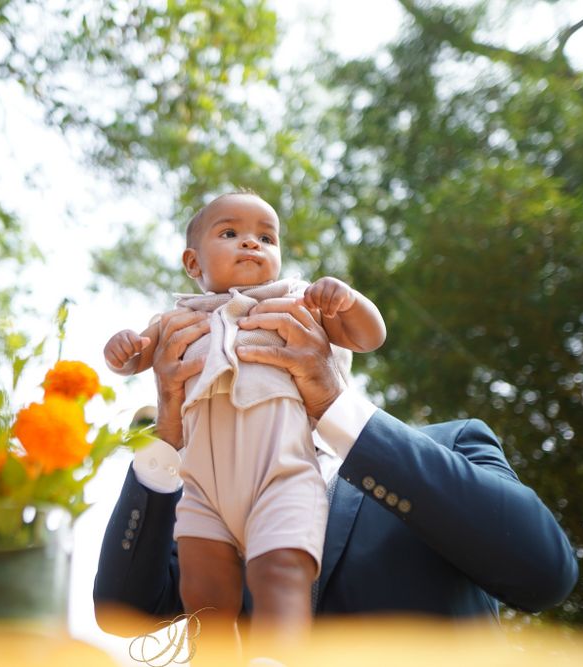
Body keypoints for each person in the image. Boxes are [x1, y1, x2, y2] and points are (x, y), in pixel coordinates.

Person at [94, 300, 579, 652]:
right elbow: (124, 610)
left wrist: (332, 407)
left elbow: (543, 572)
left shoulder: (451, 444)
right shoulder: (217, 492)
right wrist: (169, 436)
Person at [103, 192, 387, 650]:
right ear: (193, 264)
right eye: (230, 233)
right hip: (203, 485)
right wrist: (122, 349)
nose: (251, 244)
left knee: (281, 571)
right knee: (203, 589)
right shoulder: (177, 319)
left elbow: (369, 337)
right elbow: (134, 358)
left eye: (266, 237)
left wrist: (348, 301)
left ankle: (277, 657)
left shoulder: (296, 301)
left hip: (281, 471)